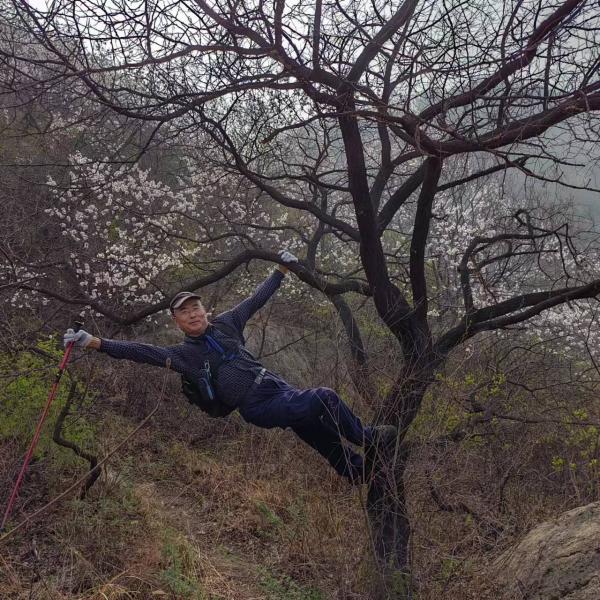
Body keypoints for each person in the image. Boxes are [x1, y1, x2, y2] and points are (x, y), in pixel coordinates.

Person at [63, 250, 396, 484]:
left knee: (314, 429)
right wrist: (93, 342)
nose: (192, 314)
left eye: (195, 308)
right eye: (184, 312)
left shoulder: (227, 323)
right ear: (177, 322)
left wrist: (281, 270)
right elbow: (140, 351)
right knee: (323, 397)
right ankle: (367, 437)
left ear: (204, 310)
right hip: (256, 405)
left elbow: (255, 300)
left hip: (276, 385)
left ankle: (357, 472)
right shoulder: (184, 355)